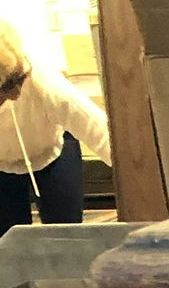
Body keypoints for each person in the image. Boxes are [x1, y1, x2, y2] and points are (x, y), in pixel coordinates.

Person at [0, 25, 111, 235]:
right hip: (1, 167)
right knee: (5, 242)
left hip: (52, 151)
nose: (14, 94)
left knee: (66, 233)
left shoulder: (44, 81)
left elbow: (101, 134)